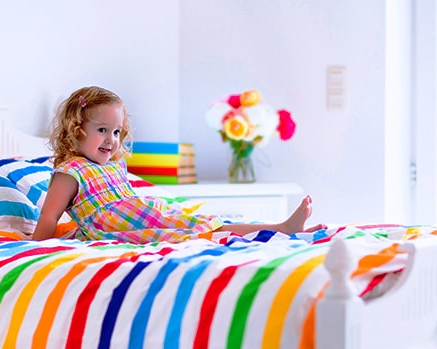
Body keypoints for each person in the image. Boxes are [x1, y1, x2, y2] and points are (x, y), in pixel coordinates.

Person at [32, 85, 324, 243]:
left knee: (202, 223)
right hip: (118, 226)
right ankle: (281, 228)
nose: (111, 139)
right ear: (76, 129)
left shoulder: (112, 166)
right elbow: (48, 218)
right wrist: (33, 253)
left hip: (140, 213)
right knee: (196, 230)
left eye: (117, 131)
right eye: (102, 130)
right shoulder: (70, 171)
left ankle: (280, 227)